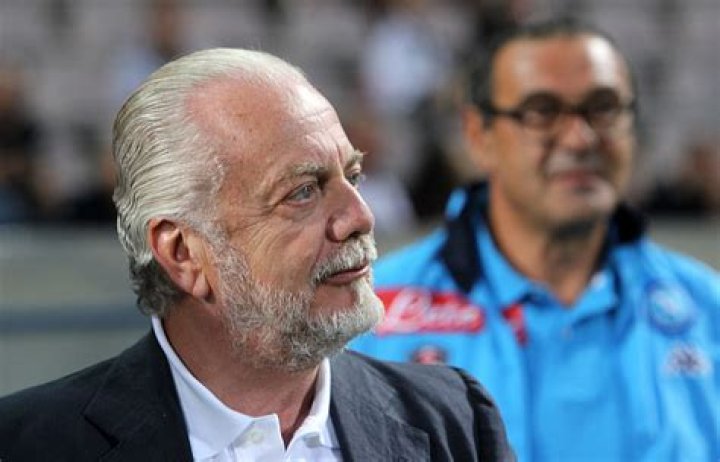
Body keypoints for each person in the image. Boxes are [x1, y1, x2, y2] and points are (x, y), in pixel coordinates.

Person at [0, 48, 513, 461]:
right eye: (303, 192)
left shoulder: (455, 420)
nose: (360, 217)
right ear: (183, 253)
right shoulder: (28, 445)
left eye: (352, 176)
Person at [351, 18, 719, 462]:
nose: (580, 138)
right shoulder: (371, 314)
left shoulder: (708, 310)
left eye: (604, 108)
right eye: (542, 111)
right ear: (478, 134)